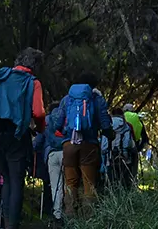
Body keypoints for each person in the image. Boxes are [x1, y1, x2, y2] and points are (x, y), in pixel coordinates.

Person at [0, 47, 47, 229]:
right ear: (36, 66)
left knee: (6, 177)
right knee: (15, 180)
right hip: (16, 136)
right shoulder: (32, 82)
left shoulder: (0, 77)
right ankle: (12, 224)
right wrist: (41, 129)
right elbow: (38, 112)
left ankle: (5, 223)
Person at [49, 72, 113, 218]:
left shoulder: (67, 99)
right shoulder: (97, 100)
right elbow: (105, 125)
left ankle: (70, 217)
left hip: (68, 146)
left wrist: (66, 132)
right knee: (88, 183)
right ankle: (88, 219)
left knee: (70, 182)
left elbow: (57, 123)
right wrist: (109, 134)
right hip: (89, 145)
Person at [42, 102, 68, 226]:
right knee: (68, 184)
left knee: (55, 186)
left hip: (52, 154)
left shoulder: (46, 120)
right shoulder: (66, 115)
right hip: (66, 152)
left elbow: (40, 138)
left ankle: (57, 215)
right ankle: (68, 211)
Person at [101, 107, 135, 189]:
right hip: (124, 157)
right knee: (124, 182)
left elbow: (103, 146)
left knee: (110, 182)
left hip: (110, 157)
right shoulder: (126, 126)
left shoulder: (107, 126)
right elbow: (128, 143)